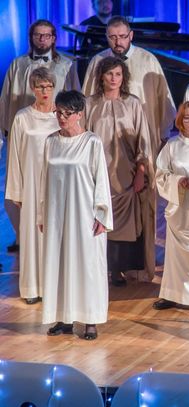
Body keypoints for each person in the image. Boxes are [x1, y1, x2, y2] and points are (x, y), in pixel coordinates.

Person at [0, 19, 80, 253]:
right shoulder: (18, 65)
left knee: (52, 185)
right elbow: (6, 99)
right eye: (38, 35)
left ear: (54, 38)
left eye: (47, 35)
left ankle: (54, 233)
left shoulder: (66, 65)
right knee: (19, 185)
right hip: (24, 131)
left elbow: (76, 99)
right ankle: (22, 235)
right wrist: (6, 131)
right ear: (31, 38)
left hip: (55, 131)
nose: (42, 39)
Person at [38, 90, 112, 340]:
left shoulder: (91, 142)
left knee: (87, 265)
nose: (61, 117)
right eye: (58, 112)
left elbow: (101, 180)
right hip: (57, 214)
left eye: (67, 113)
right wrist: (42, 214)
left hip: (84, 214)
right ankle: (64, 317)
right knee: (59, 263)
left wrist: (102, 215)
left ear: (79, 114)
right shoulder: (51, 142)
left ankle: (90, 319)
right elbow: (44, 180)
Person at [84, 56, 154, 285]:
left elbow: (143, 139)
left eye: (118, 74)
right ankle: (96, 267)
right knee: (98, 217)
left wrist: (141, 172)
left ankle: (118, 270)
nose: (114, 79)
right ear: (101, 77)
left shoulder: (132, 103)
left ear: (123, 77)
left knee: (125, 224)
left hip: (126, 172)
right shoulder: (90, 104)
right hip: (97, 171)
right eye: (109, 74)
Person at [82, 16, 176, 158]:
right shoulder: (97, 61)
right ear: (106, 37)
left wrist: (164, 134)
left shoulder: (148, 60)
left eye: (122, 36)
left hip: (143, 134)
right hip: (105, 135)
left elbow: (164, 99)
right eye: (113, 37)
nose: (118, 42)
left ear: (131, 35)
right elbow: (87, 100)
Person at [5, 67, 59, 304]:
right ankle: (32, 288)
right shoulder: (22, 117)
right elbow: (15, 156)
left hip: (56, 185)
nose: (45, 91)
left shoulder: (61, 116)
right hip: (31, 185)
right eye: (40, 87)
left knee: (54, 236)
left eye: (49, 86)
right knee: (31, 236)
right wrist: (17, 190)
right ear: (32, 88)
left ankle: (54, 286)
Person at [153, 101, 189, 310]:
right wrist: (179, 181)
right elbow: (161, 175)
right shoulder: (173, 145)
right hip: (181, 207)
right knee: (176, 254)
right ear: (181, 120)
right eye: (187, 118)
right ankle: (172, 293)